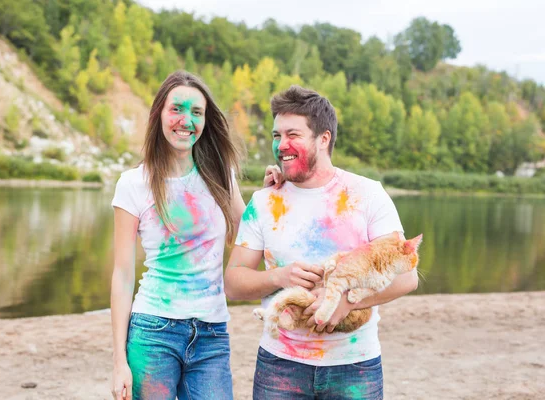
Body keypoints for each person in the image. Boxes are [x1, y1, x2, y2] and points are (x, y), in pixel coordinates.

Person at [224, 85, 419, 400]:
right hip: (280, 365)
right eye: (276, 136)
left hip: (354, 365)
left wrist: (347, 303)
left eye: (293, 135)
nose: (281, 145)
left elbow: (407, 277)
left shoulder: (367, 194)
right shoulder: (262, 202)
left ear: (323, 139)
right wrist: (278, 277)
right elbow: (233, 283)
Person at [110, 70, 280, 400]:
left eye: (196, 113)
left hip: (211, 333)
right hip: (153, 331)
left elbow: (247, 238)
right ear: (159, 113)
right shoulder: (133, 184)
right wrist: (119, 361)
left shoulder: (220, 175)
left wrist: (268, 194)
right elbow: (122, 274)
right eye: (177, 109)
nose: (186, 120)